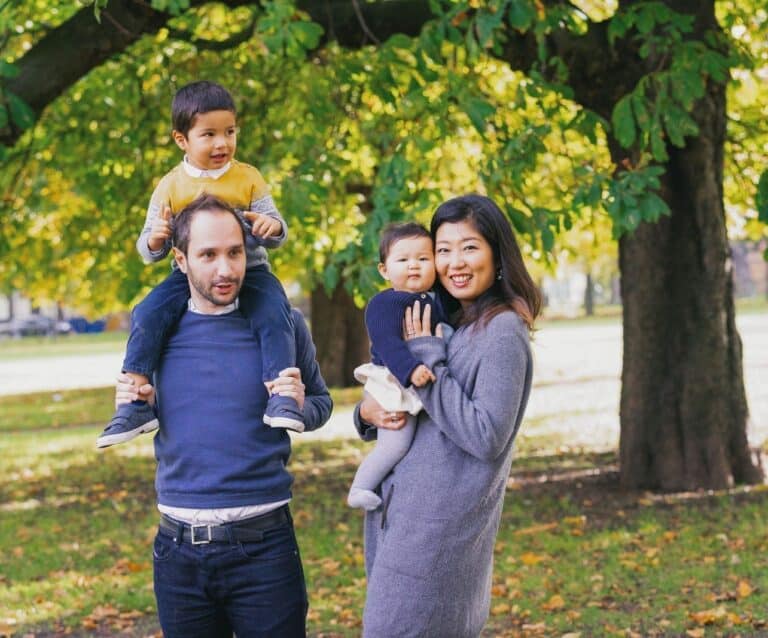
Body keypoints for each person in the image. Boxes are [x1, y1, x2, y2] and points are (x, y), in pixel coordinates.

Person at [114, 194, 332, 637]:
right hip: (178, 555)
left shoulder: (282, 324)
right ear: (180, 259)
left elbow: (321, 403)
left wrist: (300, 405)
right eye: (208, 255)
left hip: (265, 550)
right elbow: (162, 408)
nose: (226, 269)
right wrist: (139, 402)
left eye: (234, 252)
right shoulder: (156, 329)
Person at [354, 194, 541, 637]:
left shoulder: (502, 333)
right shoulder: (448, 320)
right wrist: (367, 413)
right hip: (402, 518)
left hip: (439, 534)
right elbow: (403, 397)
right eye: (443, 249)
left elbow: (486, 435)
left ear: (497, 255)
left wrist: (427, 364)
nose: (455, 261)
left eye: (470, 247)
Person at [98, 80, 302, 449]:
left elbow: (276, 228)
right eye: (209, 134)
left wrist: (274, 228)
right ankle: (135, 400)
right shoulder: (171, 186)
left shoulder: (248, 177)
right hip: (188, 277)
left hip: (250, 272)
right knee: (146, 313)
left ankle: (280, 392)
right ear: (182, 140)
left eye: (229, 132)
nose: (222, 143)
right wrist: (156, 239)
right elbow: (147, 248)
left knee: (275, 312)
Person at [348, 222, 448, 511]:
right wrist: (411, 369)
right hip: (393, 380)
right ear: (384, 270)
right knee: (396, 443)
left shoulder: (437, 299)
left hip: (417, 380)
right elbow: (387, 342)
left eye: (423, 258)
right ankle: (361, 487)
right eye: (403, 260)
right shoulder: (385, 303)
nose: (413, 266)